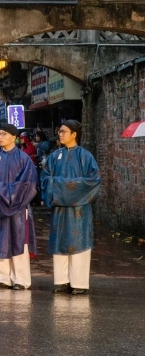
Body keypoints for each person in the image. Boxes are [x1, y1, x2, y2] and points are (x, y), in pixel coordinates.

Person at [41, 120, 101, 295]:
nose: (60, 134)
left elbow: (94, 181)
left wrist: (61, 187)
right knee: (59, 241)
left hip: (78, 210)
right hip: (60, 209)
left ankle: (79, 283)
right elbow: (45, 179)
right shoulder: (54, 156)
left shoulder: (85, 156)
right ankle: (61, 281)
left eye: (64, 131)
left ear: (74, 134)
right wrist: (59, 187)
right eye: (59, 131)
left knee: (78, 242)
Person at [0, 121, 39, 290]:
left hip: (18, 207)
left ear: (14, 137)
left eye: (4, 134)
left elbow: (28, 184)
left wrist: (3, 193)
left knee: (20, 241)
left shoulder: (24, 159)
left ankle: (21, 279)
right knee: (0, 240)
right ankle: (3, 278)